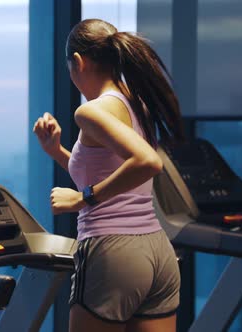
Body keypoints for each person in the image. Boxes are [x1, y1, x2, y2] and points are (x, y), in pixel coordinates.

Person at [33, 19, 185, 332]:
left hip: (113, 255)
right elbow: (117, 172)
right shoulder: (137, 103)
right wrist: (57, 151)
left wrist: (82, 198)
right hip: (157, 252)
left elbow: (146, 162)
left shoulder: (90, 112)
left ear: (78, 62)